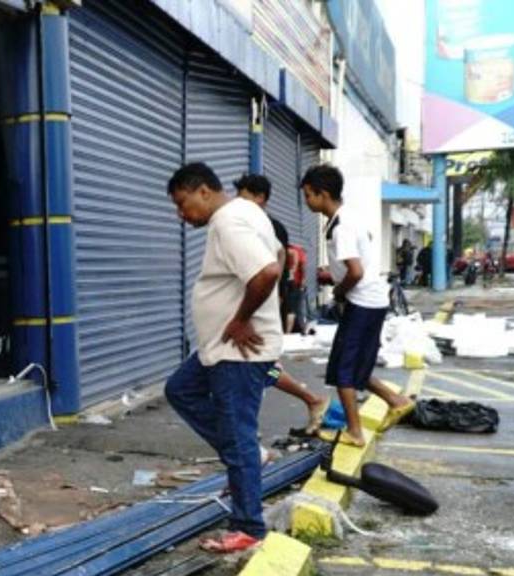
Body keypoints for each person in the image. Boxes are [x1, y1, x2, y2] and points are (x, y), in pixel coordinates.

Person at [165, 163, 283, 554]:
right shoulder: (248, 211)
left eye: (183, 204)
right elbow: (279, 256)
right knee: (181, 390)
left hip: (238, 351)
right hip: (220, 347)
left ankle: (248, 526)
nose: (182, 215)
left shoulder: (229, 222)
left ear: (203, 191)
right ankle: (250, 455)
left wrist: (243, 319)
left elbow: (267, 271)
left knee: (237, 435)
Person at [300, 164, 415, 448]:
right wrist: (335, 275)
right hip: (371, 301)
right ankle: (396, 401)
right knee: (354, 367)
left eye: (308, 195)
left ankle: (354, 432)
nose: (306, 201)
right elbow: (360, 255)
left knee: (344, 371)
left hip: (362, 303)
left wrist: (338, 291)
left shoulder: (342, 227)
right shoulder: (347, 217)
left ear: (323, 194)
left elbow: (355, 271)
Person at [232, 174, 328, 433]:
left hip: (254, 310)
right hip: (250, 308)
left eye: (245, 197)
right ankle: (311, 400)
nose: (239, 203)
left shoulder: (267, 226)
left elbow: (279, 259)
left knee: (259, 369)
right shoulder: (251, 223)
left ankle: (247, 433)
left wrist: (272, 294)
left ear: (260, 197)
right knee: (263, 369)